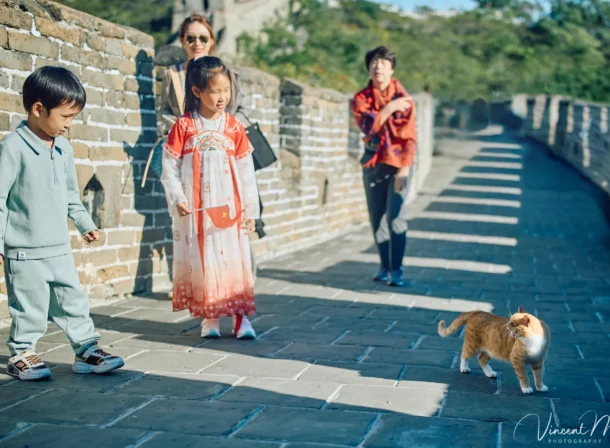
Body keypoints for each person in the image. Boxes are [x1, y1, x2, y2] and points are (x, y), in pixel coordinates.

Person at [0, 66, 124, 380]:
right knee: (29, 307)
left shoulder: (64, 148)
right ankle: (22, 353)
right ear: (38, 109)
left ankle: (86, 351)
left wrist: (84, 223)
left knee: (73, 301)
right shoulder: (13, 148)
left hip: (59, 249)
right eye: (66, 117)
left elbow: (71, 195)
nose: (69, 125)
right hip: (24, 252)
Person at [160, 56, 260, 339]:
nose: (221, 97)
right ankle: (211, 318)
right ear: (197, 92)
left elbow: (246, 171)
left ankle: (241, 320)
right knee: (204, 259)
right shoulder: (184, 126)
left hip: (229, 207)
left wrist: (250, 210)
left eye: (225, 90)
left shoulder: (234, 127)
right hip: (198, 208)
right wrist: (177, 196)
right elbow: (170, 166)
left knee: (234, 259)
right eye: (215, 91)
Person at [351, 46, 417, 287]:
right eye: (373, 63)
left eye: (383, 63)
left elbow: (410, 137)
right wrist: (389, 108)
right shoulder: (360, 99)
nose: (378, 67)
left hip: (400, 163)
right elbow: (368, 128)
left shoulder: (406, 101)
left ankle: (397, 269)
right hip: (373, 163)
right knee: (377, 217)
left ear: (392, 69)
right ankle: (384, 266)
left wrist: (404, 169)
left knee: (396, 217)